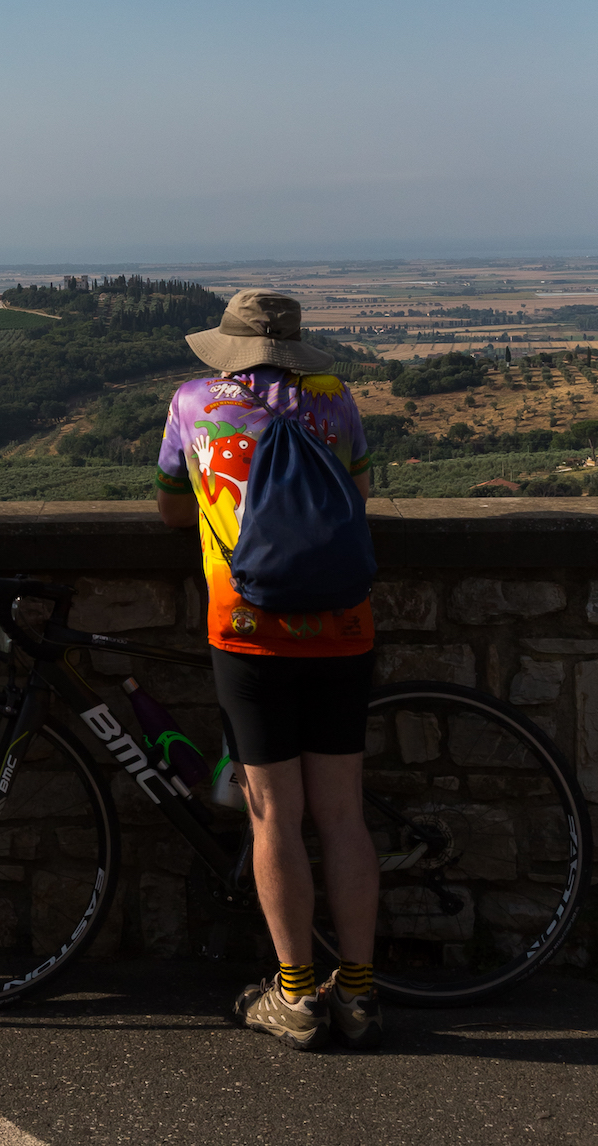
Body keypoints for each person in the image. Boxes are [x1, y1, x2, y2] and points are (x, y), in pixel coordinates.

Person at [155, 289, 382, 1052]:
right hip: (344, 628)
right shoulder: (335, 398)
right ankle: (357, 993)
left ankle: (293, 996)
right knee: (343, 814)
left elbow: (171, 507)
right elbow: (359, 490)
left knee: (273, 815)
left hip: (248, 633)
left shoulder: (194, 402)